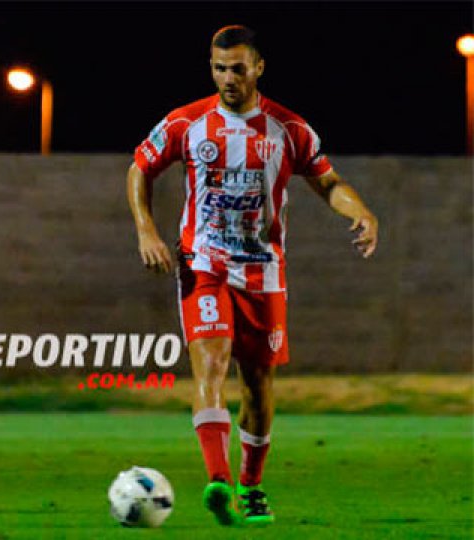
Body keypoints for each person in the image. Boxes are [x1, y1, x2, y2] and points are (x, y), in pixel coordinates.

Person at [127, 26, 378, 526]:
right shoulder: (188, 122)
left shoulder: (287, 129)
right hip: (203, 264)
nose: (228, 79)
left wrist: (363, 212)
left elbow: (327, 181)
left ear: (258, 67)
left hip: (263, 272)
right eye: (219, 68)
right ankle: (218, 481)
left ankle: (252, 485)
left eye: (238, 68)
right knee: (211, 363)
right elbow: (140, 167)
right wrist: (146, 232)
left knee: (259, 386)